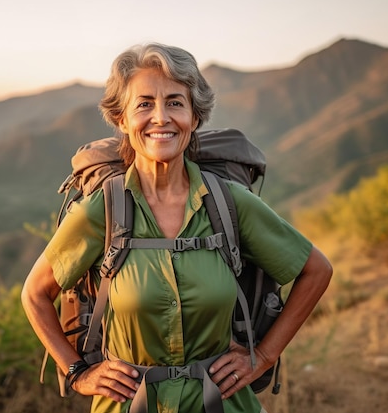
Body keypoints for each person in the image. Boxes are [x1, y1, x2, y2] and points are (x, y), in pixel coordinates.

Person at [21, 42, 333, 413]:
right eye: (144, 104)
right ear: (121, 119)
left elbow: (316, 270)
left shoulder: (229, 203)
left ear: (194, 117)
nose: (160, 118)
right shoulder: (102, 209)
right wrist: (77, 371)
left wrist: (263, 356)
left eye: (174, 102)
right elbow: (35, 294)